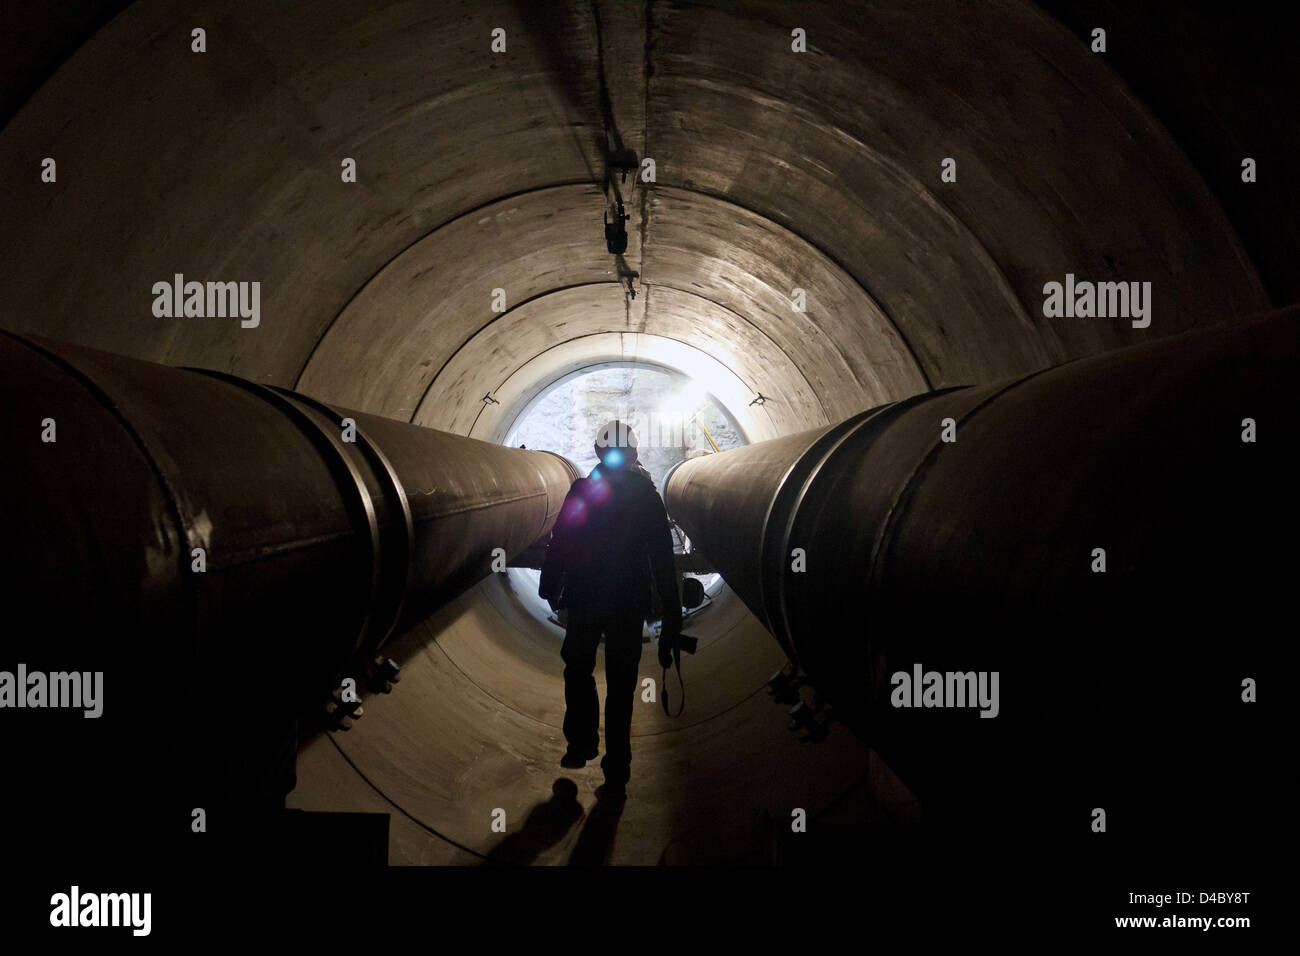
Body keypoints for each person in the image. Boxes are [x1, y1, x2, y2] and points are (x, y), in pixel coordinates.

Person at [538, 420, 682, 792]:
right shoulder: (643, 495)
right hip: (623, 602)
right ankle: (613, 764)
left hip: (591, 597)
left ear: (599, 452)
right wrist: (671, 614)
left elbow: (561, 540)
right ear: (633, 454)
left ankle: (584, 744)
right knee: (618, 683)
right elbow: (663, 560)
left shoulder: (588, 490)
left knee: (581, 669)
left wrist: (550, 583)